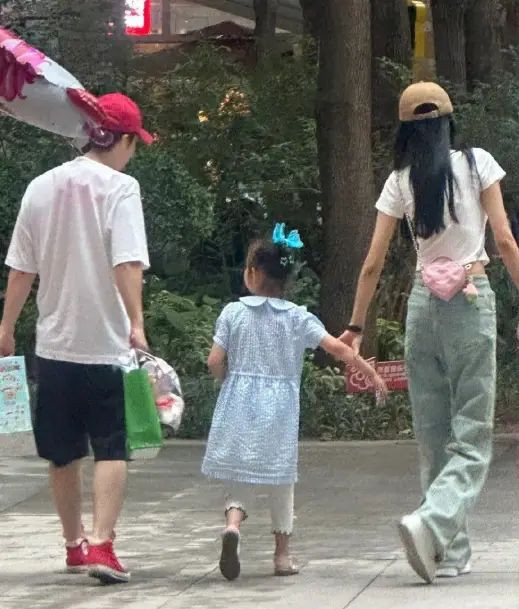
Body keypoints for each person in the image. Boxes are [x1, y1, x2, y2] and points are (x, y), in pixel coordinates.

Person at [340, 82, 519, 583]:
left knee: (433, 433)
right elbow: (505, 241)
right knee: (473, 431)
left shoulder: (400, 181)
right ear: (448, 122)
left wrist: (356, 325)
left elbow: (373, 262)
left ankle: (447, 553)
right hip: (470, 300)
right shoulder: (478, 163)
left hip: (422, 308)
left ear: (404, 132)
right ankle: (433, 521)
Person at [0, 93, 153, 584]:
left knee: (62, 451)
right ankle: (103, 545)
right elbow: (126, 261)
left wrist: (5, 327)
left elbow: (21, 268)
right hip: (106, 344)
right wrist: (137, 322)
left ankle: (74, 545)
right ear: (122, 140)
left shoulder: (41, 186)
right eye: (134, 143)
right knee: (111, 447)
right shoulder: (121, 188)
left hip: (54, 345)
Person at [202, 224, 387, 581]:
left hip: (239, 404)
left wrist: (226, 380)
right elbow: (338, 348)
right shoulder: (297, 318)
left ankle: (233, 526)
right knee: (281, 477)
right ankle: (282, 556)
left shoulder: (233, 313)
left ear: (252, 273)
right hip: (280, 412)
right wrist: (371, 374)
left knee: (241, 472)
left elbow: (214, 360)